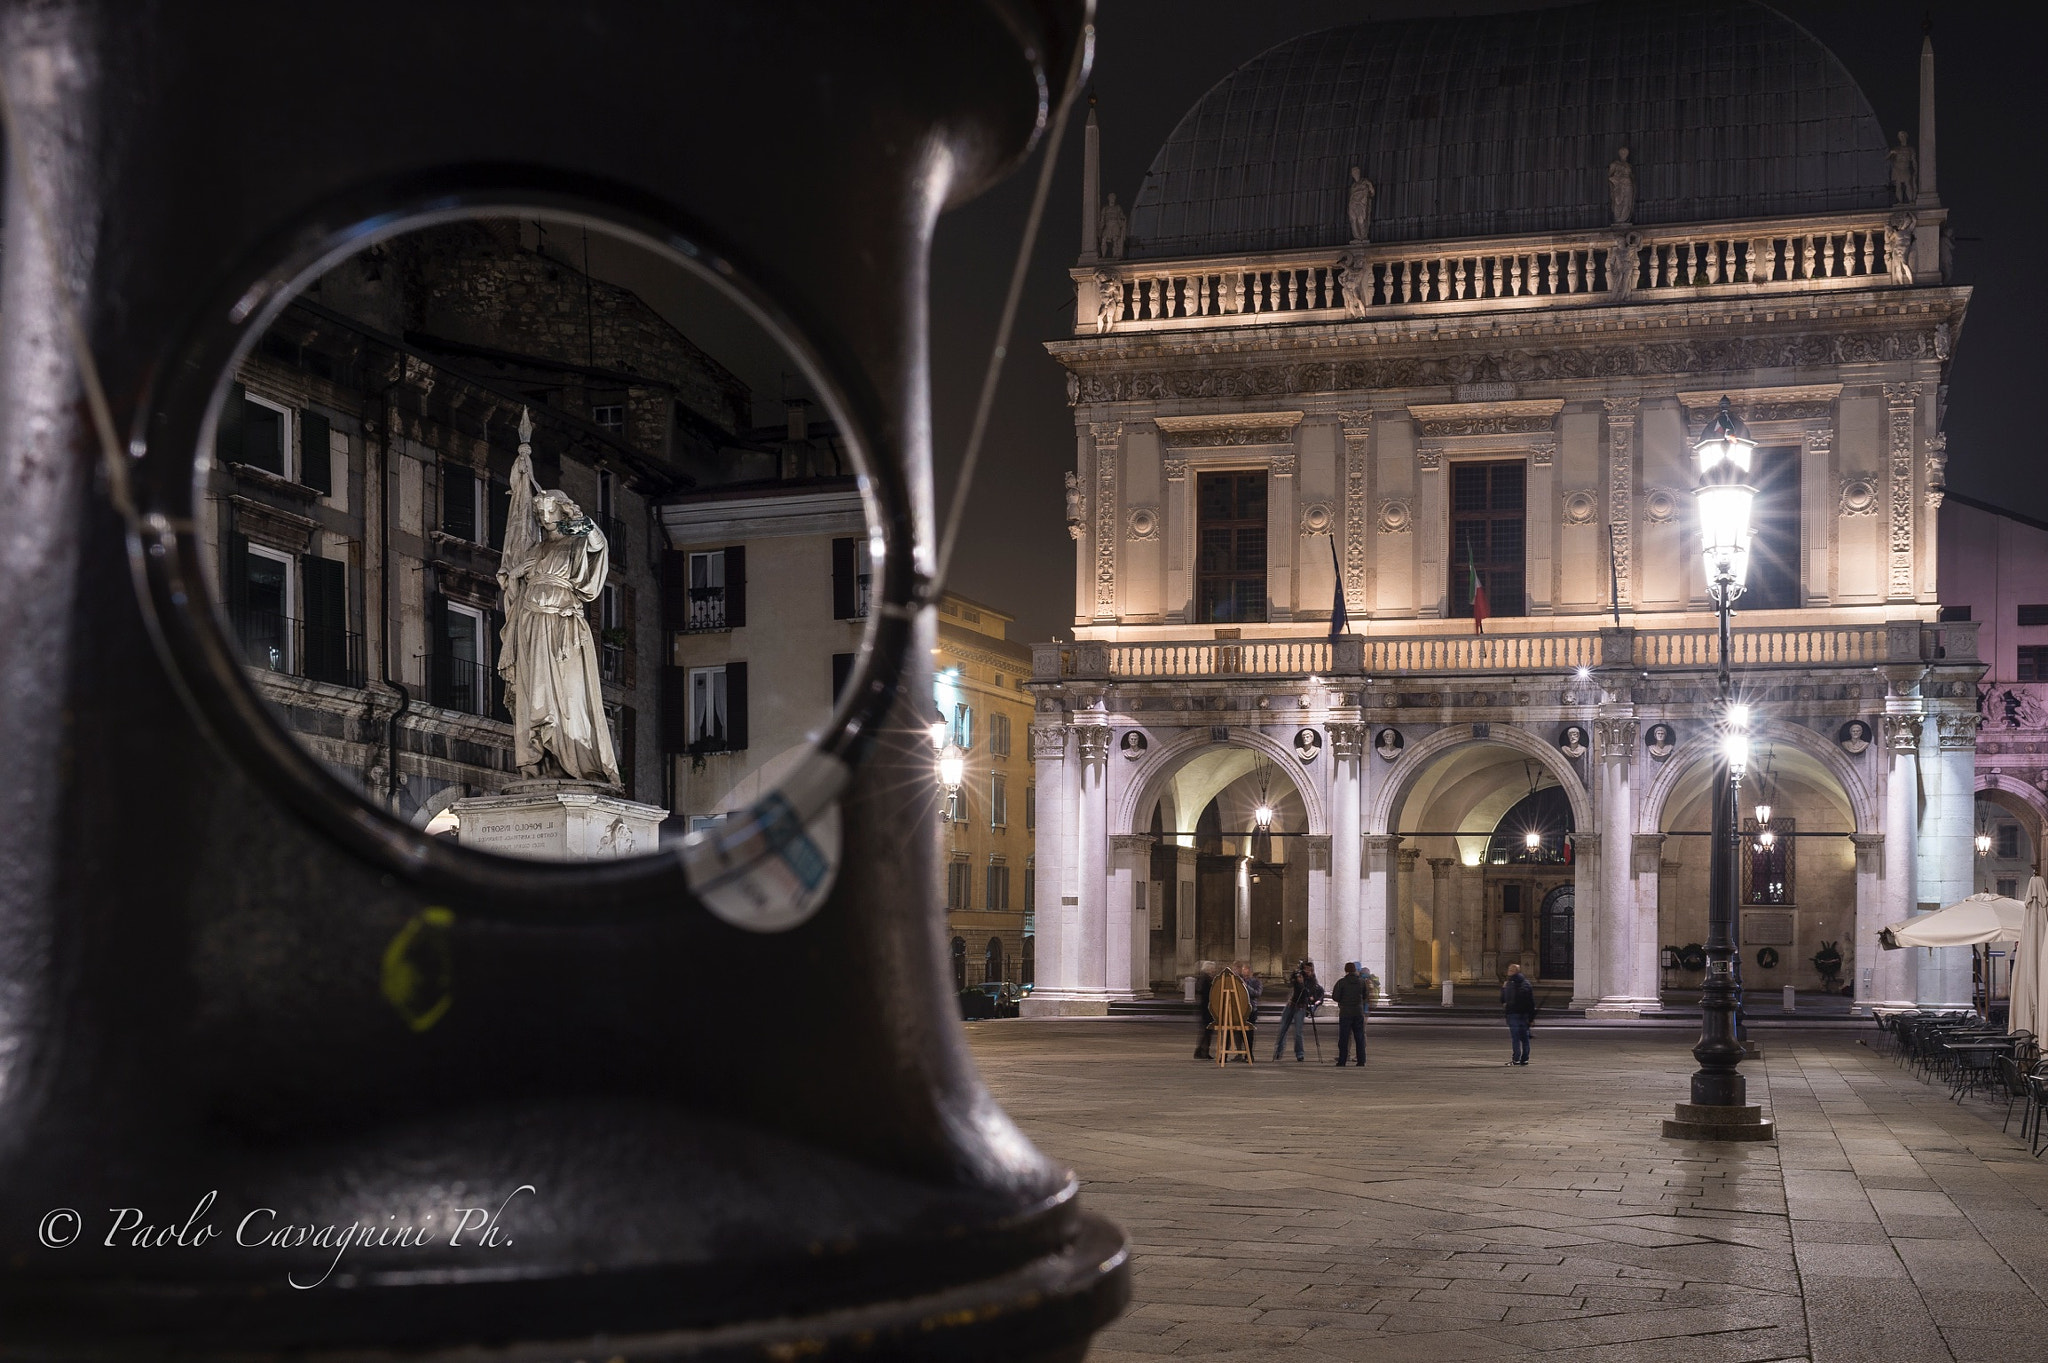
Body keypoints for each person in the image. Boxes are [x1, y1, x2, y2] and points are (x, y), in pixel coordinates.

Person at [1272, 960, 1324, 1062]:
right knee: (1283, 1029)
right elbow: (1291, 983)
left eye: (1309, 969)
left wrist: (1303, 983)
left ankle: (1299, 1053)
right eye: (1305, 969)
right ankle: (1278, 1051)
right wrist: (1296, 977)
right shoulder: (1298, 976)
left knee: (1298, 1032)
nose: (1307, 971)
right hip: (1291, 1005)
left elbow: (1308, 992)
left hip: (1301, 1007)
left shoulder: (1312, 981)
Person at [1331, 962, 1368, 1066]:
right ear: (1354, 970)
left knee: (1344, 1037)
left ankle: (1342, 1061)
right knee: (1359, 1037)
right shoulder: (1361, 982)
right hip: (1358, 1012)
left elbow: (1335, 996)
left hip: (1345, 1012)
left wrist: (1342, 1001)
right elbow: (1365, 995)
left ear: (1346, 970)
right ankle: (1361, 1060)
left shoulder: (1341, 982)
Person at [1502, 963, 1536, 1065]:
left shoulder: (1509, 984)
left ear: (1513, 972)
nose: (1508, 971)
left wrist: (1503, 989)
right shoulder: (1527, 984)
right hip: (1524, 1015)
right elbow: (1531, 1002)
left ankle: (1516, 1058)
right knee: (1525, 1038)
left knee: (1515, 1038)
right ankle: (1525, 1059)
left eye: (1510, 970)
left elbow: (1503, 1000)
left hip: (1513, 1014)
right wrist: (1531, 1018)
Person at [1234, 961, 1262, 1060]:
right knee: (1239, 1032)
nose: (1243, 971)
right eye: (1242, 969)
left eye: (1245, 969)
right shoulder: (1240, 980)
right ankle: (1240, 1053)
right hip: (1240, 1009)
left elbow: (1257, 993)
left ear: (1249, 970)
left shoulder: (1256, 981)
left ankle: (1249, 1054)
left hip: (1251, 1010)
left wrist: (1247, 987)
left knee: (1249, 1033)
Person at [1193, 961, 1216, 1060]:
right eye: (1212, 968)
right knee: (1207, 1031)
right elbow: (1206, 993)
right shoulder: (1205, 979)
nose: (1213, 970)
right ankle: (1202, 1051)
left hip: (1206, 1008)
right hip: (1206, 1008)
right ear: (1208, 969)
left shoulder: (1206, 978)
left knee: (1206, 1031)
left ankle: (1201, 1051)